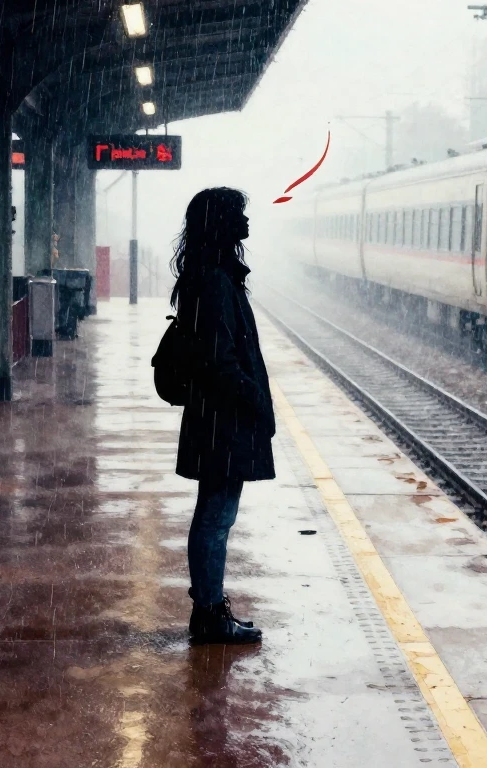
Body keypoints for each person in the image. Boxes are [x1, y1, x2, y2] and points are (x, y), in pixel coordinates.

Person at [170, 187, 275, 645]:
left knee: (214, 516)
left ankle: (210, 608)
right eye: (240, 215)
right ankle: (210, 614)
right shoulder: (215, 281)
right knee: (216, 519)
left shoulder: (213, 276)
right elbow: (222, 360)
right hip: (223, 422)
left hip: (215, 420)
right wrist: (254, 399)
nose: (247, 223)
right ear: (222, 224)